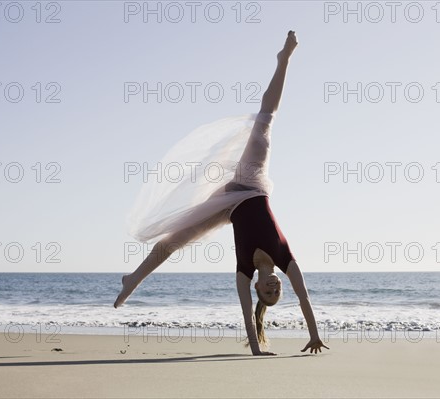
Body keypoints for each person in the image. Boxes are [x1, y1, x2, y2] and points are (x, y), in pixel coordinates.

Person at [115, 31, 329, 356]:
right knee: (264, 127)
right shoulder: (286, 259)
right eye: (277, 291)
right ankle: (283, 60)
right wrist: (314, 335)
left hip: (227, 205)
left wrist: (255, 349)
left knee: (177, 238)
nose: (273, 288)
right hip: (251, 183)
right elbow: (305, 298)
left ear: (257, 289)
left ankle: (133, 279)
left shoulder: (244, 272)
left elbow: (246, 313)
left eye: (267, 293)